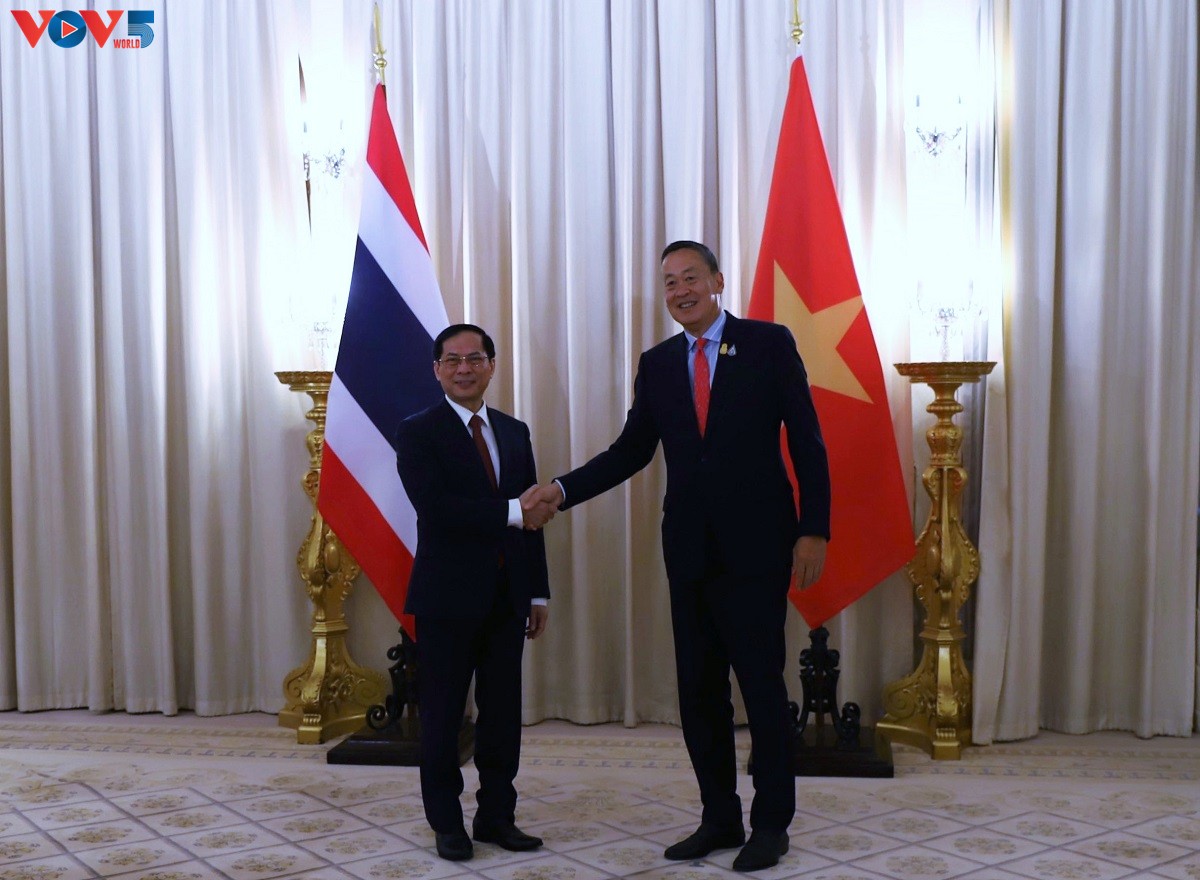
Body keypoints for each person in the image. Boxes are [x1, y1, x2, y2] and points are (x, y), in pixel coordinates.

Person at [528, 241, 830, 872]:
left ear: (717, 281)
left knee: (761, 687)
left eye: (691, 277)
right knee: (698, 691)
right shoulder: (660, 363)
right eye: (669, 282)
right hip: (689, 551)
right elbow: (631, 450)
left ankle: (771, 824)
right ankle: (719, 817)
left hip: (757, 547)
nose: (680, 290)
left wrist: (814, 529)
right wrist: (560, 489)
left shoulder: (769, 344)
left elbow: (807, 440)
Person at [395, 323, 557, 863]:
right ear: (436, 369)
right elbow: (436, 509)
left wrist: (537, 592)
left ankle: (497, 816)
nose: (463, 369)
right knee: (443, 717)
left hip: (508, 598)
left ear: (491, 365)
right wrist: (512, 510)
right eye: (452, 360)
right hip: (446, 600)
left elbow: (533, 521)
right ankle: (447, 823)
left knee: (503, 715)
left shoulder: (514, 430)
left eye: (474, 358)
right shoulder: (418, 432)